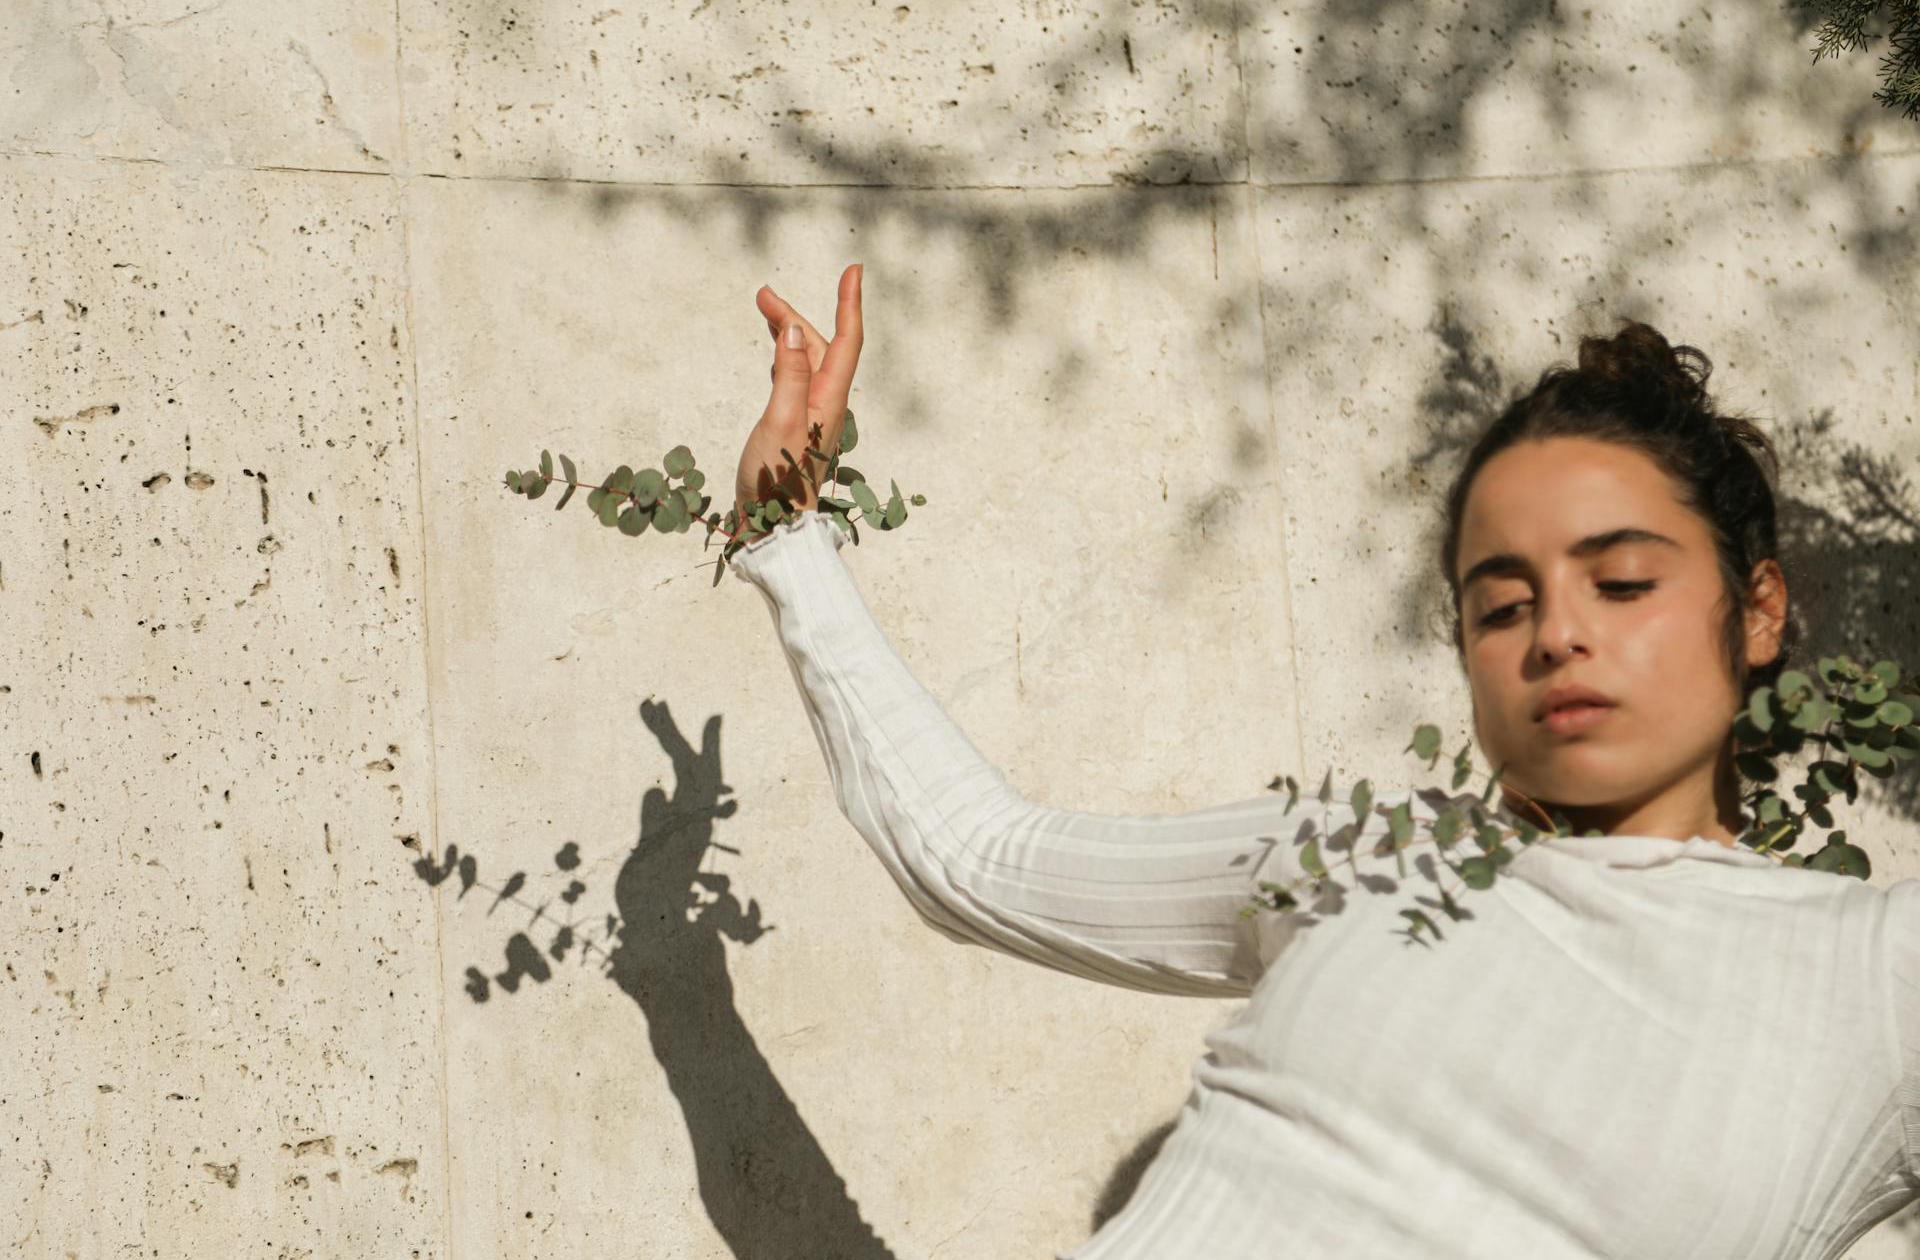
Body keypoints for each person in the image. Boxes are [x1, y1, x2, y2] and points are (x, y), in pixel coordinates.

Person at [725, 264, 1920, 1257]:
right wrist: (790, 536)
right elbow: (979, 855)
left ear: (1756, 610)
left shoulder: (1866, 977)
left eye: (1621, 580)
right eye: (1501, 602)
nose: (1557, 632)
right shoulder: (1367, 854)